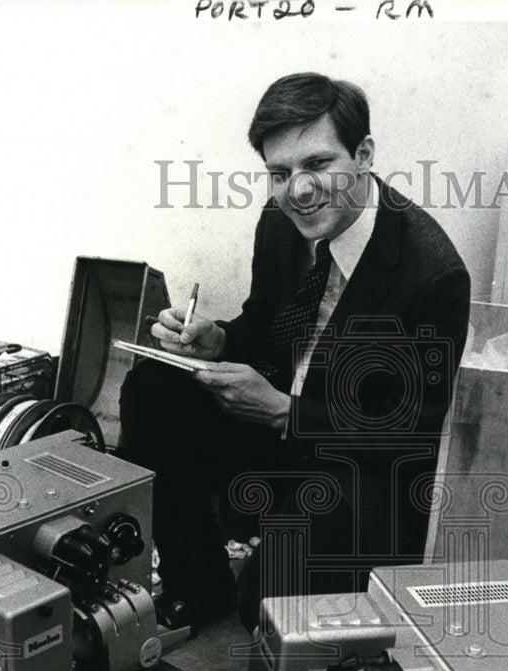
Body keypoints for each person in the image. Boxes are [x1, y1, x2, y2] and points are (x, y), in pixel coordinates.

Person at [120, 72, 470, 635]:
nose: (298, 191)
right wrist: (221, 340)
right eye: (280, 173)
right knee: (152, 389)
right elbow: (266, 321)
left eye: (317, 165)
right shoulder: (282, 220)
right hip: (283, 423)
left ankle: (273, 569)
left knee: (266, 604)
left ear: (364, 155)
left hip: (358, 465)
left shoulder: (433, 274)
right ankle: (198, 583)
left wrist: (285, 412)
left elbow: (409, 431)